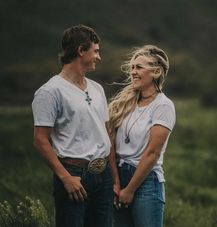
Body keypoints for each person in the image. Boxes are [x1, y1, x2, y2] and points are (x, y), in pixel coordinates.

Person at [32, 24, 115, 227]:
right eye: (95, 51)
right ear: (80, 50)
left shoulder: (97, 89)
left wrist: (113, 178)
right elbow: (40, 140)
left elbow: (105, 132)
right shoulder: (50, 92)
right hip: (74, 175)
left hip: (103, 176)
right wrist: (65, 178)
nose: (99, 56)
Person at [108, 45, 176, 227]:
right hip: (119, 177)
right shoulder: (124, 103)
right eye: (132, 67)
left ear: (155, 72)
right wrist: (115, 182)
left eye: (139, 67)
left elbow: (152, 152)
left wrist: (129, 190)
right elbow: (110, 145)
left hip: (146, 181)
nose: (133, 72)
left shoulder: (163, 106)